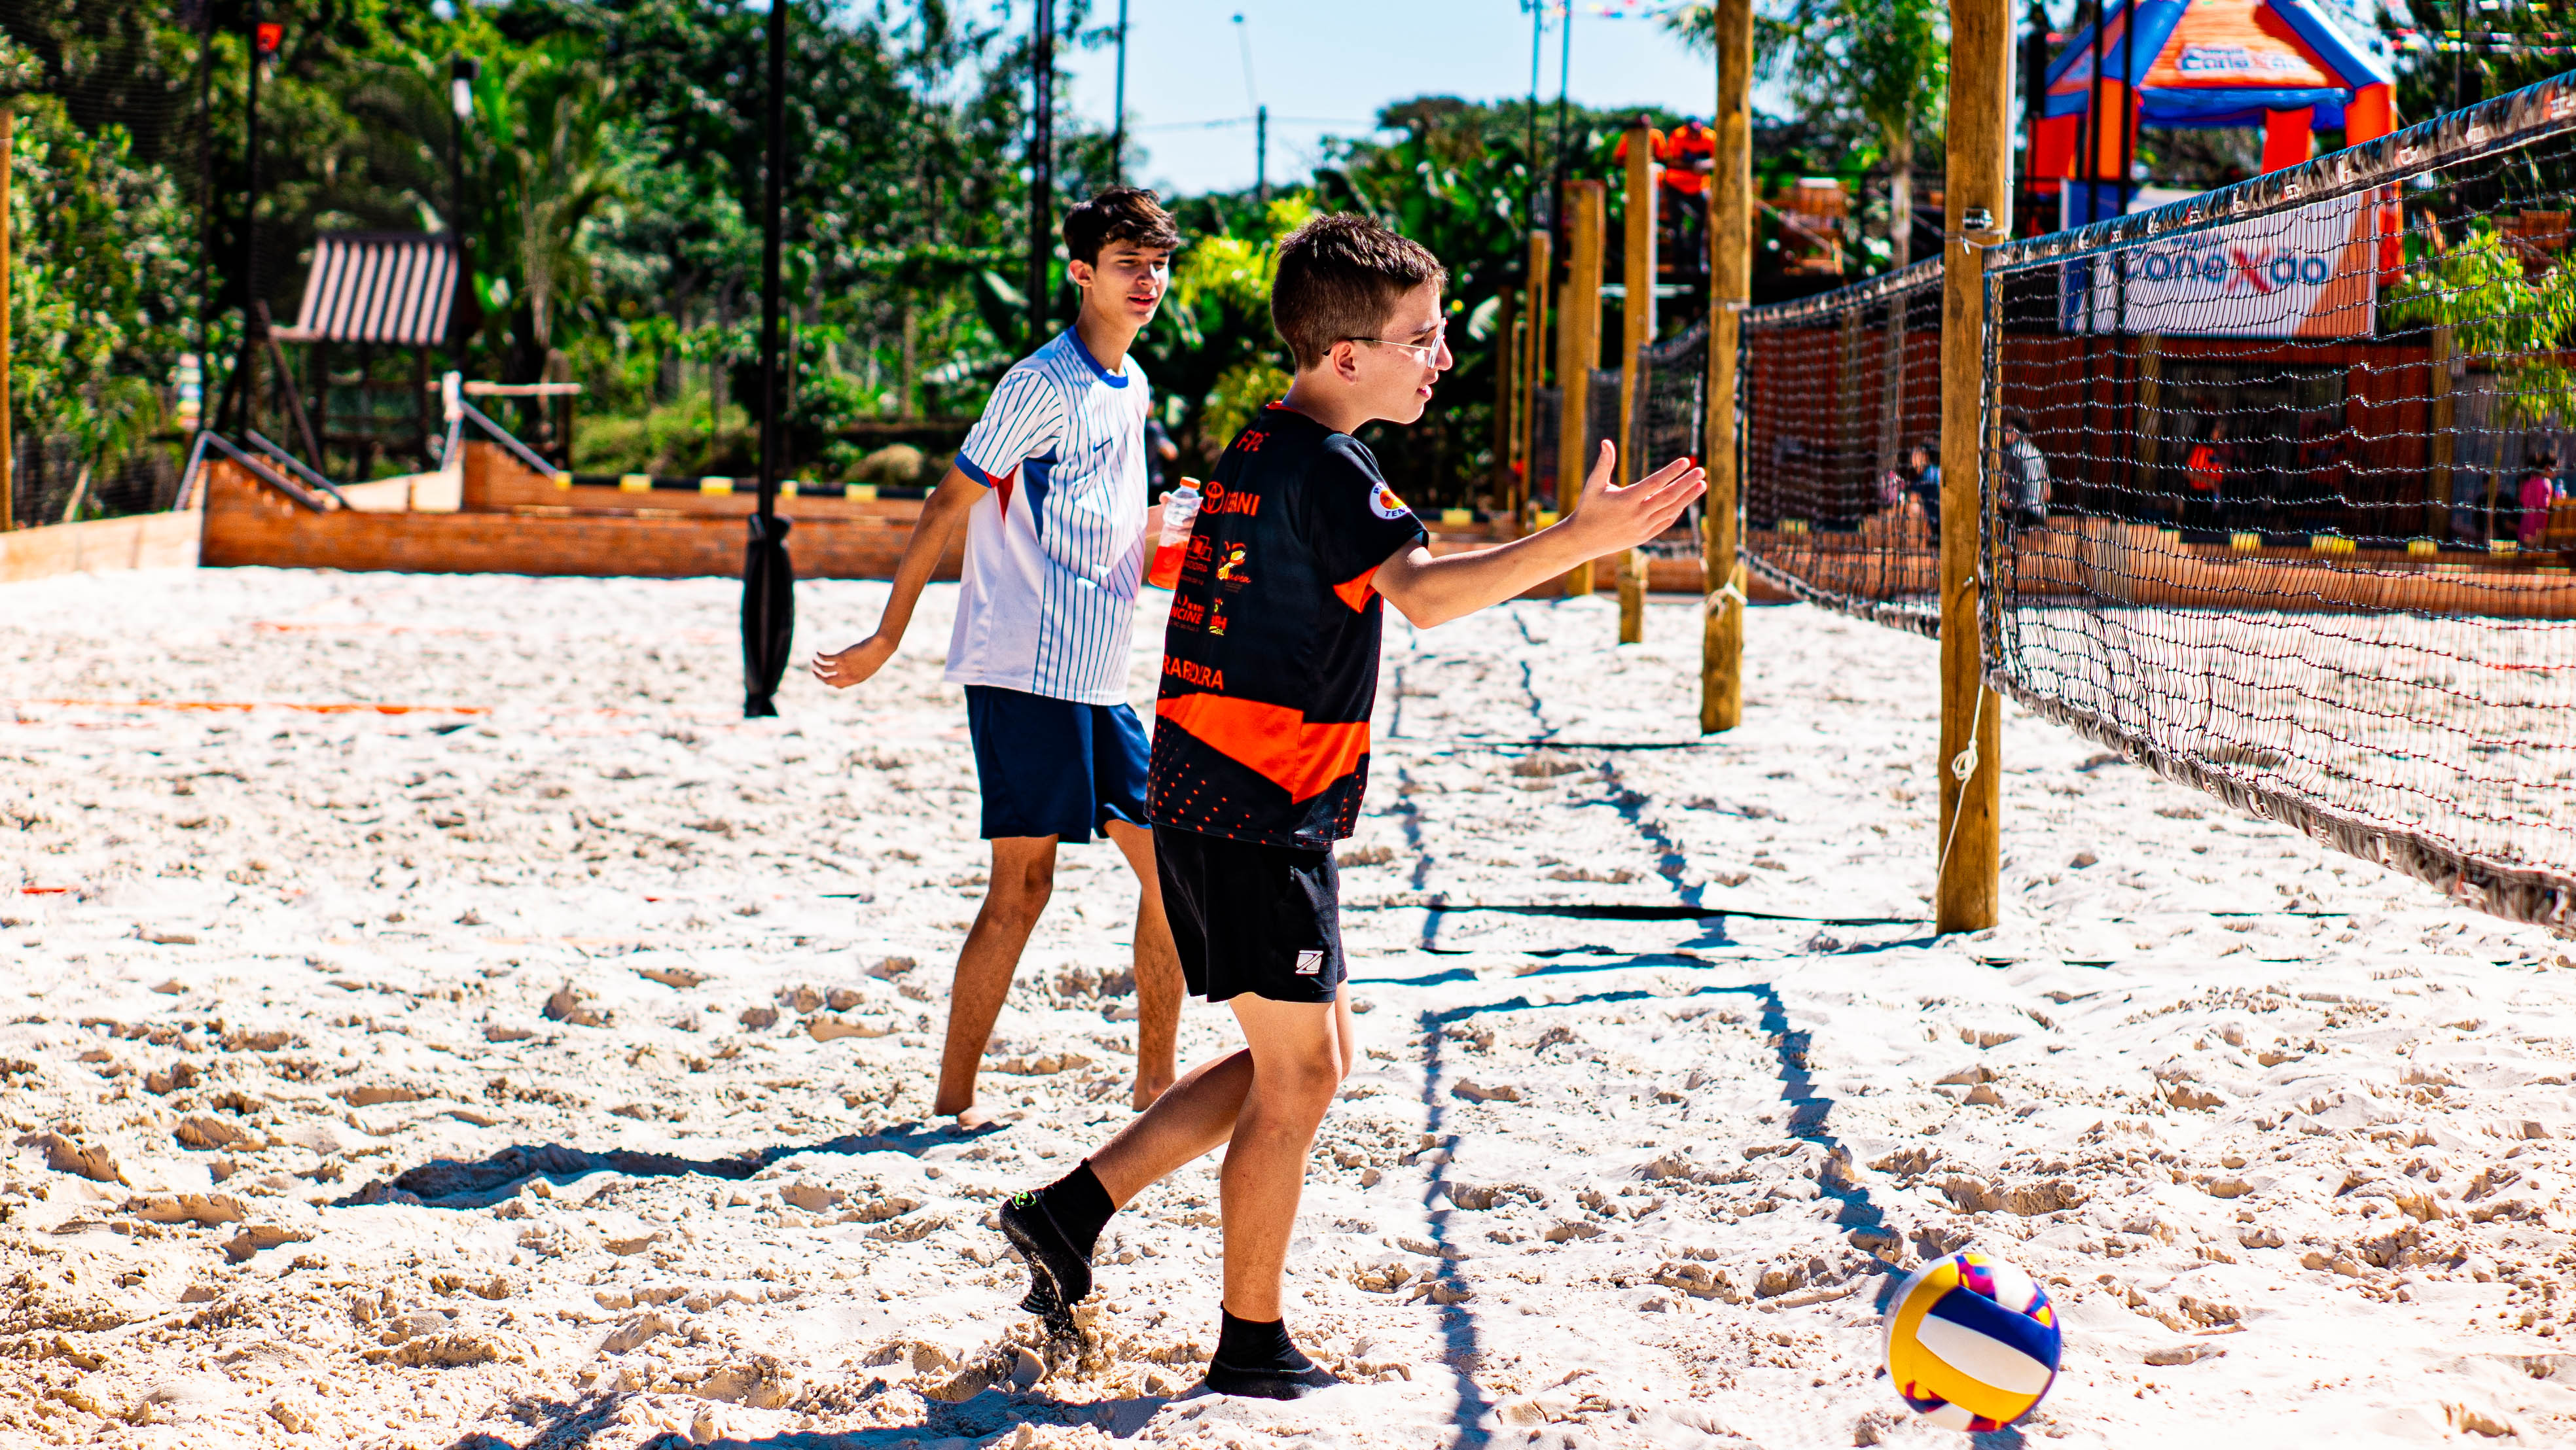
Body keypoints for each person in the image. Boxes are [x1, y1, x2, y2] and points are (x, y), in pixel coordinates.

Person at [993, 214, 1704, 1399]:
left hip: (1218, 796)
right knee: (1302, 1077)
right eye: (1421, 339)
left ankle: (1071, 1209)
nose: (1440, 357)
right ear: (1345, 357)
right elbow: (1421, 597)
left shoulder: (1263, 444)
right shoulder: (1326, 467)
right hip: (1251, 806)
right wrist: (1580, 541)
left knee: (1311, 1057)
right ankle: (1249, 1343)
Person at [810, 188, 1187, 1125]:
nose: (1148, 281)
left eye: (1159, 264)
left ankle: (1154, 1086)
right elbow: (947, 504)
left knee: (1176, 872)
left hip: (1100, 678)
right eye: (1129, 263)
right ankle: (950, 1102)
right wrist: (889, 638)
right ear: (1081, 273)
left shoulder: (1132, 384)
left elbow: (1097, 523)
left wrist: (1167, 530)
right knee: (1022, 888)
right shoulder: (1038, 384)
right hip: (1024, 668)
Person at [2001, 414, 2050, 530]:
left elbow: (2005, 480)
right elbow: (2047, 492)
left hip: (2022, 514)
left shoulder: (2012, 451)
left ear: (2016, 431)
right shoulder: (2038, 454)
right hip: (2040, 513)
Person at [2183, 420, 2228, 534]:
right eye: (2218, 430)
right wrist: (2211, 482)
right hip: (2199, 499)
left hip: (2213, 499)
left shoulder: (2217, 451)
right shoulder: (2201, 450)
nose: (2221, 433)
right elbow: (2188, 472)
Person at [2518, 444, 2562, 548]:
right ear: (2548, 468)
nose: (2556, 474)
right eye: (2555, 470)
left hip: (2525, 526)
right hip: (2538, 527)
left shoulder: (2529, 481)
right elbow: (2544, 504)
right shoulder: (2546, 483)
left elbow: (2523, 500)